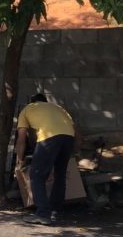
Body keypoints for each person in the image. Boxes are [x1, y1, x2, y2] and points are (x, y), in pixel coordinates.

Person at [15, 94, 77, 225]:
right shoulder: (58, 108)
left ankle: (43, 214)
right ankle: (56, 210)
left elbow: (21, 139)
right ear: (45, 101)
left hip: (49, 138)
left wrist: (20, 160)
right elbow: (77, 132)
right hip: (69, 138)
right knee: (60, 174)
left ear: (32, 102)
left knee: (36, 175)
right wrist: (75, 151)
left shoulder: (27, 109)